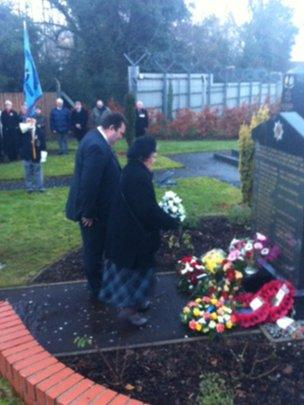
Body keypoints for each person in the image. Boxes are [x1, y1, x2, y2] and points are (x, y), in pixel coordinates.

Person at [101, 135, 179, 326]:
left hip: (125, 233)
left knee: (135, 271)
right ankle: (130, 310)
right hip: (132, 238)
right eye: (153, 154)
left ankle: (138, 302)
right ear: (144, 155)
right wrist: (170, 221)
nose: (155, 157)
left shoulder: (132, 170)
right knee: (135, 273)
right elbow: (147, 211)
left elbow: (144, 206)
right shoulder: (138, 176)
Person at [66, 112, 126, 300]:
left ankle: (101, 285)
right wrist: (88, 214)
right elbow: (89, 183)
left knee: (99, 249)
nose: (121, 137)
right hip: (94, 214)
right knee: (94, 251)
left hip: (100, 211)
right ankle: (97, 290)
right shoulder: (96, 146)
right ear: (111, 128)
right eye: (121, 133)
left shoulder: (95, 139)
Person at [19, 118, 46, 193]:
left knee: (38, 172)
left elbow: (43, 144)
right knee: (28, 172)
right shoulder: (23, 131)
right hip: (26, 155)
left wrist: (43, 156)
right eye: (28, 121)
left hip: (36, 155)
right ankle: (29, 187)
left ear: (35, 122)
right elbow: (19, 137)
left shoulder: (40, 132)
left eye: (32, 121)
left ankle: (40, 186)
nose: (30, 123)